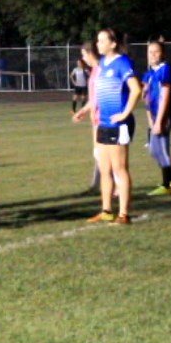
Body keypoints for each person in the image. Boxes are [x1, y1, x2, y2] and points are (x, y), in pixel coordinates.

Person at [87, 28, 141, 225]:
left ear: (113, 43)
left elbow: (136, 89)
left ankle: (124, 214)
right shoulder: (102, 63)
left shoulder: (122, 63)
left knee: (119, 168)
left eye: (102, 41)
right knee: (104, 168)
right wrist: (95, 109)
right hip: (104, 123)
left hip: (119, 124)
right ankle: (106, 210)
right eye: (98, 40)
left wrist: (125, 114)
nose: (98, 44)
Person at [144, 40, 171, 195]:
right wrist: (150, 120)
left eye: (156, 51)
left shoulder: (165, 69)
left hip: (164, 116)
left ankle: (167, 184)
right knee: (154, 150)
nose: (153, 55)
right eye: (150, 52)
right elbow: (146, 98)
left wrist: (159, 121)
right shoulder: (149, 73)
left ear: (163, 53)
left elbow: (165, 96)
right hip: (154, 117)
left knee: (161, 149)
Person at [72, 42, 103, 195]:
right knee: (98, 153)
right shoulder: (95, 70)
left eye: (84, 54)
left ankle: (116, 188)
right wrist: (84, 110)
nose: (83, 58)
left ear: (91, 53)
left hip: (103, 118)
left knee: (104, 155)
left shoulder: (102, 70)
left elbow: (101, 96)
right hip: (96, 118)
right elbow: (94, 97)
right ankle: (96, 185)